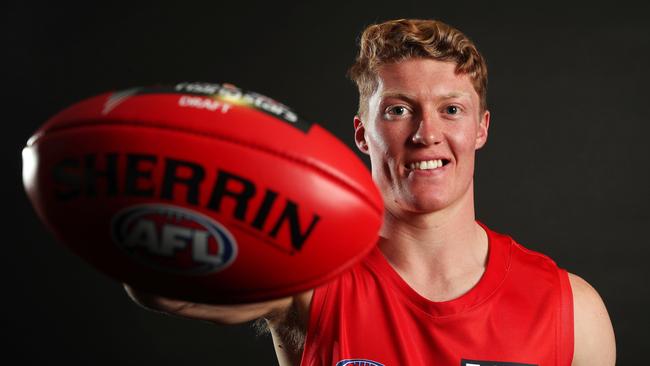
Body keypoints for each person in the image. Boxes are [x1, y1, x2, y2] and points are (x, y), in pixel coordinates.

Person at [124, 19, 616, 366]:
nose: (427, 133)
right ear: (362, 133)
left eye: (451, 110)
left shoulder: (570, 308)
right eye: (399, 110)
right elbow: (167, 291)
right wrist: (192, 162)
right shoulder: (311, 278)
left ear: (481, 128)